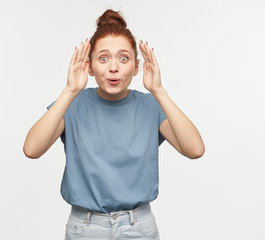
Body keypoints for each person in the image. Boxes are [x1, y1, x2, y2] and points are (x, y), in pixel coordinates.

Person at [23, 9, 205, 240]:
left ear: (136, 67)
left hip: (138, 227)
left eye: (124, 58)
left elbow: (195, 149)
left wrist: (159, 91)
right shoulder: (73, 104)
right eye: (103, 58)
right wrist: (69, 91)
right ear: (89, 66)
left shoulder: (150, 105)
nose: (113, 68)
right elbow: (32, 149)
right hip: (85, 228)